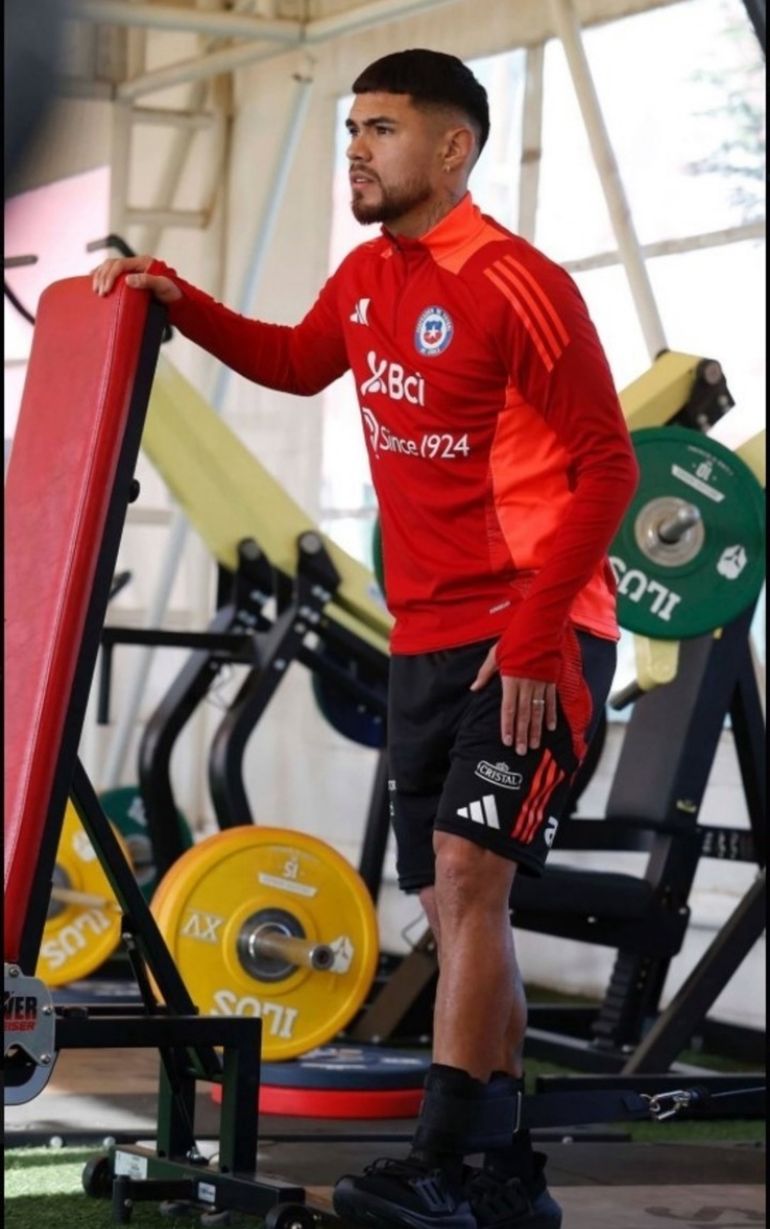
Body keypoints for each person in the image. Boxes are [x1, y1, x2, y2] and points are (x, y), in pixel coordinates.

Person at [93, 48, 639, 1229]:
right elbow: (295, 364)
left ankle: (444, 1161)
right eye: (349, 130)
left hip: (533, 636)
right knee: (451, 909)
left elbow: (610, 465)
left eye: (380, 130)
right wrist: (181, 303)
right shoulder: (361, 279)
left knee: (466, 878)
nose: (355, 149)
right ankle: (504, 1174)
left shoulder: (517, 282)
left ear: (451, 149)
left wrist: (540, 636)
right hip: (425, 639)